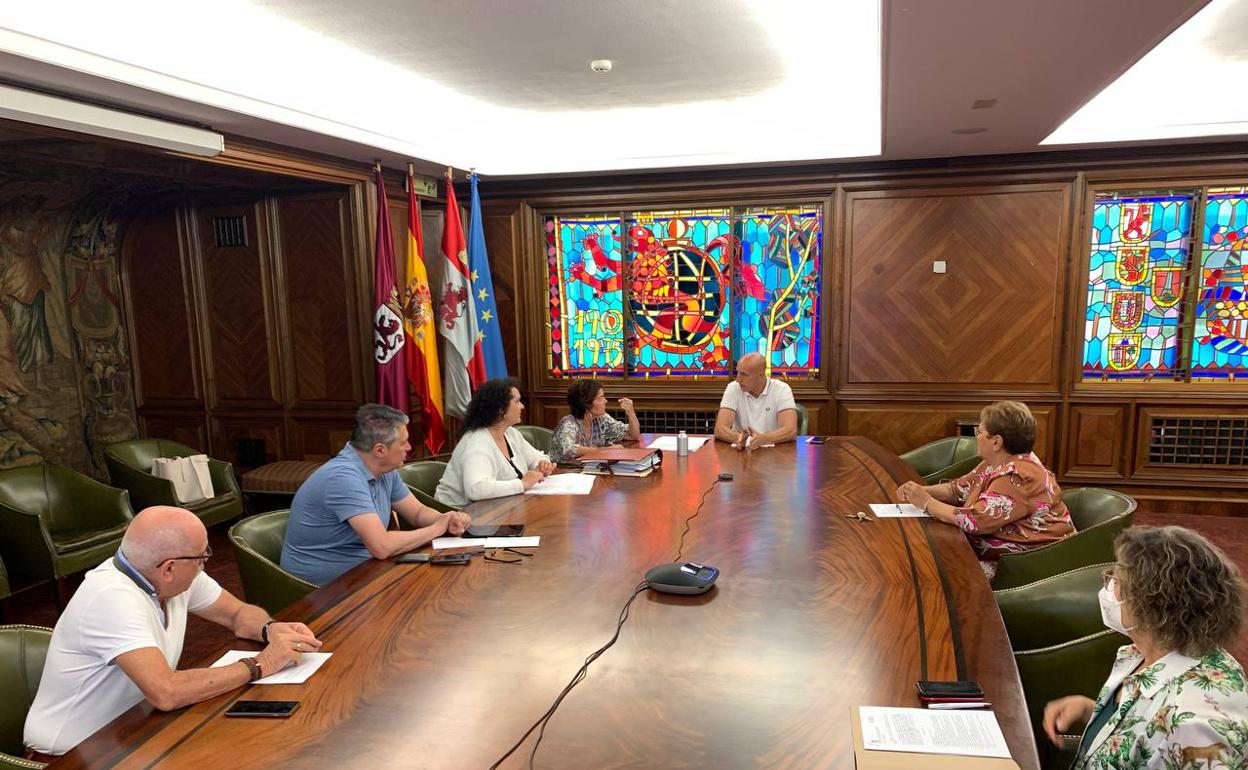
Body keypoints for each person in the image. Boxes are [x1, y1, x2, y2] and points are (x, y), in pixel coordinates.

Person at [23, 506, 322, 757]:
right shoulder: (111, 598)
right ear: (169, 567)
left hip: (134, 731)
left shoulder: (170, 577)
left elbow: (238, 614)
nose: (206, 563)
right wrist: (260, 664)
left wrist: (271, 629)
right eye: (202, 556)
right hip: (73, 754)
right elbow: (166, 692)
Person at [1043, 526, 1248, 769]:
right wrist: (1092, 711)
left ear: (1150, 605)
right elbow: (1146, 733)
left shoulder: (1195, 723)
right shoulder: (1146, 652)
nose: (1109, 588)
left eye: (1115, 579)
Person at [280, 403, 471, 585]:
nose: (409, 448)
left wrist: (447, 519)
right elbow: (381, 546)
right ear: (380, 450)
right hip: (322, 590)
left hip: (363, 571)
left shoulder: (384, 470)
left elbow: (417, 512)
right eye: (403, 443)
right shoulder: (342, 478)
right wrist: (437, 528)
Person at [895, 400, 1074, 579]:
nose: (976, 437)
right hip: (1003, 553)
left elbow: (976, 521)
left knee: (934, 573)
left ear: (996, 442)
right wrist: (919, 491)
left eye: (979, 432)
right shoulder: (996, 463)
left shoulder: (1015, 477)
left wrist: (927, 503)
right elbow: (957, 489)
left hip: (1029, 563)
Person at [435, 378, 555, 508]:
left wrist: (543, 463)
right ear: (500, 410)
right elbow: (476, 489)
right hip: (461, 517)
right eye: (517, 401)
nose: (522, 406)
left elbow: (536, 456)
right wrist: (522, 484)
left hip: (500, 509)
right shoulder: (477, 442)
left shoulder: (511, 433)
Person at [714, 352, 798, 450]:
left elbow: (790, 430)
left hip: (774, 452)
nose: (738, 379)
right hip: (741, 451)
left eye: (744, 374)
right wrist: (741, 438)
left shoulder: (781, 389)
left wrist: (764, 439)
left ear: (761, 375)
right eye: (738, 372)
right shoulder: (733, 388)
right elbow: (720, 429)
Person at [548, 379, 640, 463]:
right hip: (562, 473)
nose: (606, 401)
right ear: (586, 404)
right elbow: (568, 449)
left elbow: (632, 435)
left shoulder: (601, 419)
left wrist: (631, 413)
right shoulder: (568, 424)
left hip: (589, 471)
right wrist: (605, 451)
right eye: (600, 398)